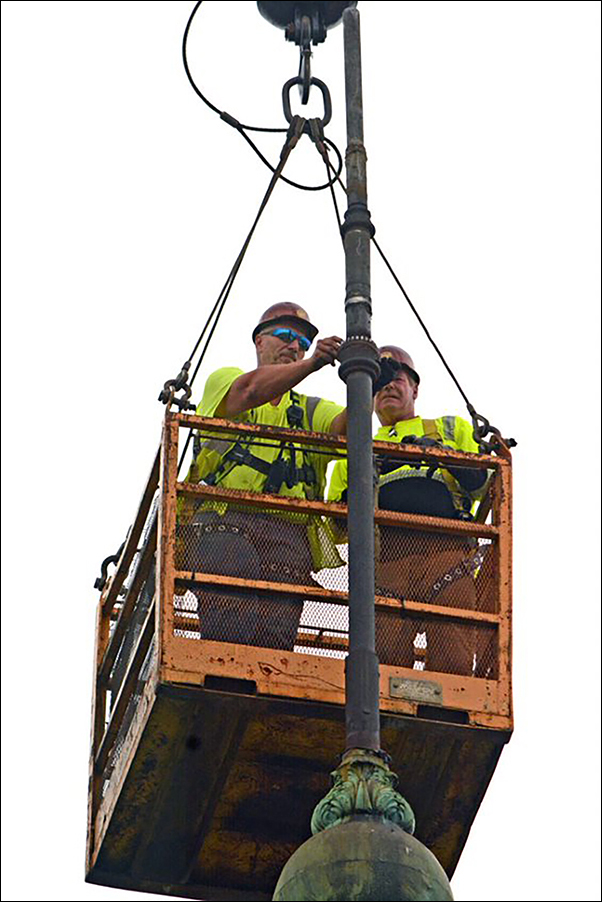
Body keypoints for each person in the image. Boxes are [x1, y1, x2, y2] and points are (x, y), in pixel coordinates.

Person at [177, 303, 346, 650]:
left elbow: (348, 428)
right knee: (231, 611)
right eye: (284, 335)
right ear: (259, 342)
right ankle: (223, 681)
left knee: (276, 634)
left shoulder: (309, 409)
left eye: (301, 340)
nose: (294, 345)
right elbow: (249, 391)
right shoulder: (226, 380)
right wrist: (313, 362)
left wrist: (365, 379)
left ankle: (259, 697)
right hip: (225, 520)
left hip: (288, 534)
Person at [328, 346, 489, 677]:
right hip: (385, 567)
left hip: (446, 558)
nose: (388, 386)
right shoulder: (355, 452)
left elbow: (481, 482)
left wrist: (440, 453)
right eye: (379, 381)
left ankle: (445, 723)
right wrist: (369, 471)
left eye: (397, 377)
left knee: (454, 665)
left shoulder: (450, 428)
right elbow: (336, 525)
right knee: (382, 669)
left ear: (414, 388)